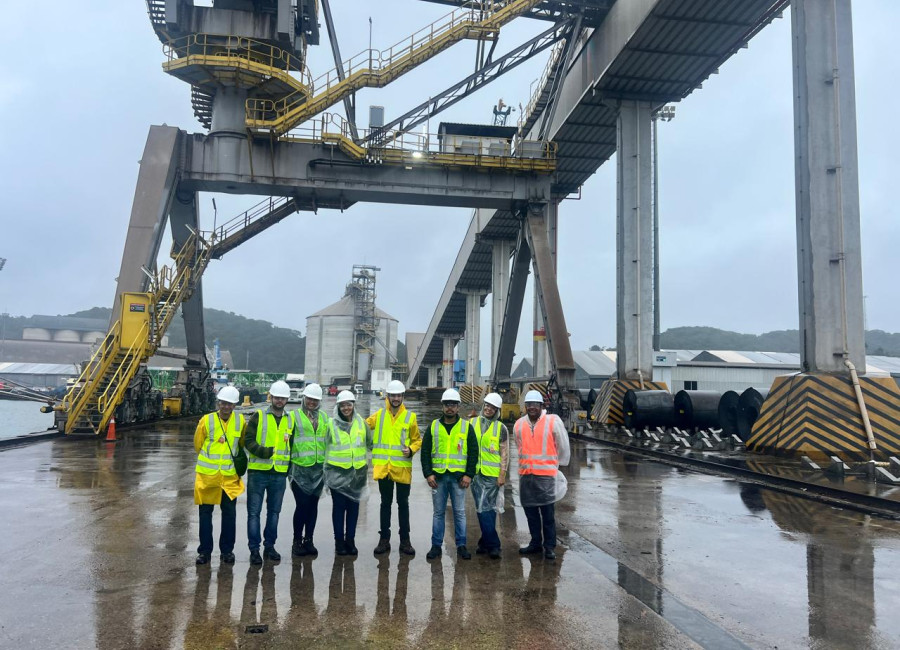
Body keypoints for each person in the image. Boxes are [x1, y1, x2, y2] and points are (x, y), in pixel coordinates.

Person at [421, 388, 478, 560]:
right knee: (438, 513)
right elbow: (425, 452)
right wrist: (428, 474)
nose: (450, 408)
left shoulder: (466, 427)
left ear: (458, 407)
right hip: (437, 478)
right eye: (447, 404)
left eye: (453, 404)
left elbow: (474, 453)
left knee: (459, 512)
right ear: (442, 406)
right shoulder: (434, 426)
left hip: (458, 478)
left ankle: (461, 545)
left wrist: (469, 475)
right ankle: (436, 546)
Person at [366, 380, 421, 556]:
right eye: (393, 395)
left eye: (398, 395)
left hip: (402, 469)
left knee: (403, 505)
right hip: (384, 469)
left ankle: (405, 541)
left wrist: (411, 449)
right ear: (387, 397)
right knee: (385, 504)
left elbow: (417, 439)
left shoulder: (410, 417)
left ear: (402, 397)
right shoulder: (379, 416)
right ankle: (384, 540)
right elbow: (362, 427)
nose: (395, 398)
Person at [514, 390, 570, 560]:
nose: (531, 408)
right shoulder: (519, 424)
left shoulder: (553, 421)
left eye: (535, 405)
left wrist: (555, 465)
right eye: (529, 405)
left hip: (546, 476)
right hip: (526, 475)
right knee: (531, 514)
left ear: (541, 406)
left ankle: (550, 546)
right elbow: (519, 446)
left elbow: (563, 446)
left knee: (547, 515)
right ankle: (535, 543)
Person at [242, 380, 294, 565]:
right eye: (277, 397)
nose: (279, 400)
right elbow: (247, 441)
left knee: (274, 513)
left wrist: (290, 469)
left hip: (279, 473)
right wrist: (264, 452)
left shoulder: (290, 419)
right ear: (271, 397)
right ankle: (254, 549)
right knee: (254, 513)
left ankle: (270, 546)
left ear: (287, 399)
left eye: (283, 398)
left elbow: (292, 445)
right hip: (258, 472)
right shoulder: (258, 416)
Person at [193, 385, 245, 565]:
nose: (226, 407)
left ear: (234, 405)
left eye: (230, 404)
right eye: (223, 403)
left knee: (229, 515)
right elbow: (198, 444)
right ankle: (204, 552)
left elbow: (241, 445)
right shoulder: (206, 420)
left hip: (229, 478)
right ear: (218, 403)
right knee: (205, 514)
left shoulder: (240, 422)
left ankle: (227, 551)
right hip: (208, 477)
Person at [324, 390, 373, 556]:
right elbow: (323, 447)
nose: (346, 408)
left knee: (354, 509)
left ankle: (350, 540)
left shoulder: (361, 423)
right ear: (338, 406)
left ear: (353, 405)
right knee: (339, 509)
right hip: (337, 474)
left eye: (348, 405)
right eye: (343, 405)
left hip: (357, 474)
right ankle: (339, 542)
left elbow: (370, 443)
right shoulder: (330, 424)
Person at [289, 383, 331, 557]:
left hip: (318, 470)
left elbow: (330, 440)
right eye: (309, 399)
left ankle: (309, 540)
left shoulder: (324, 418)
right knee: (302, 505)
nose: (312, 402)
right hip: (299, 469)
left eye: (315, 399)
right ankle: (297, 541)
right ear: (304, 398)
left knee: (313, 506)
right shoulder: (293, 416)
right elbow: (286, 440)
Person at [470, 392, 510, 559]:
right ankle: (484, 542)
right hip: (475, 474)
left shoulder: (501, 428)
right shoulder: (472, 423)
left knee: (485, 508)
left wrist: (502, 474)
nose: (488, 409)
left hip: (492, 475)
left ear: (497, 411)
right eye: (486, 405)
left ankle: (494, 545)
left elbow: (505, 453)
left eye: (492, 407)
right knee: (483, 509)